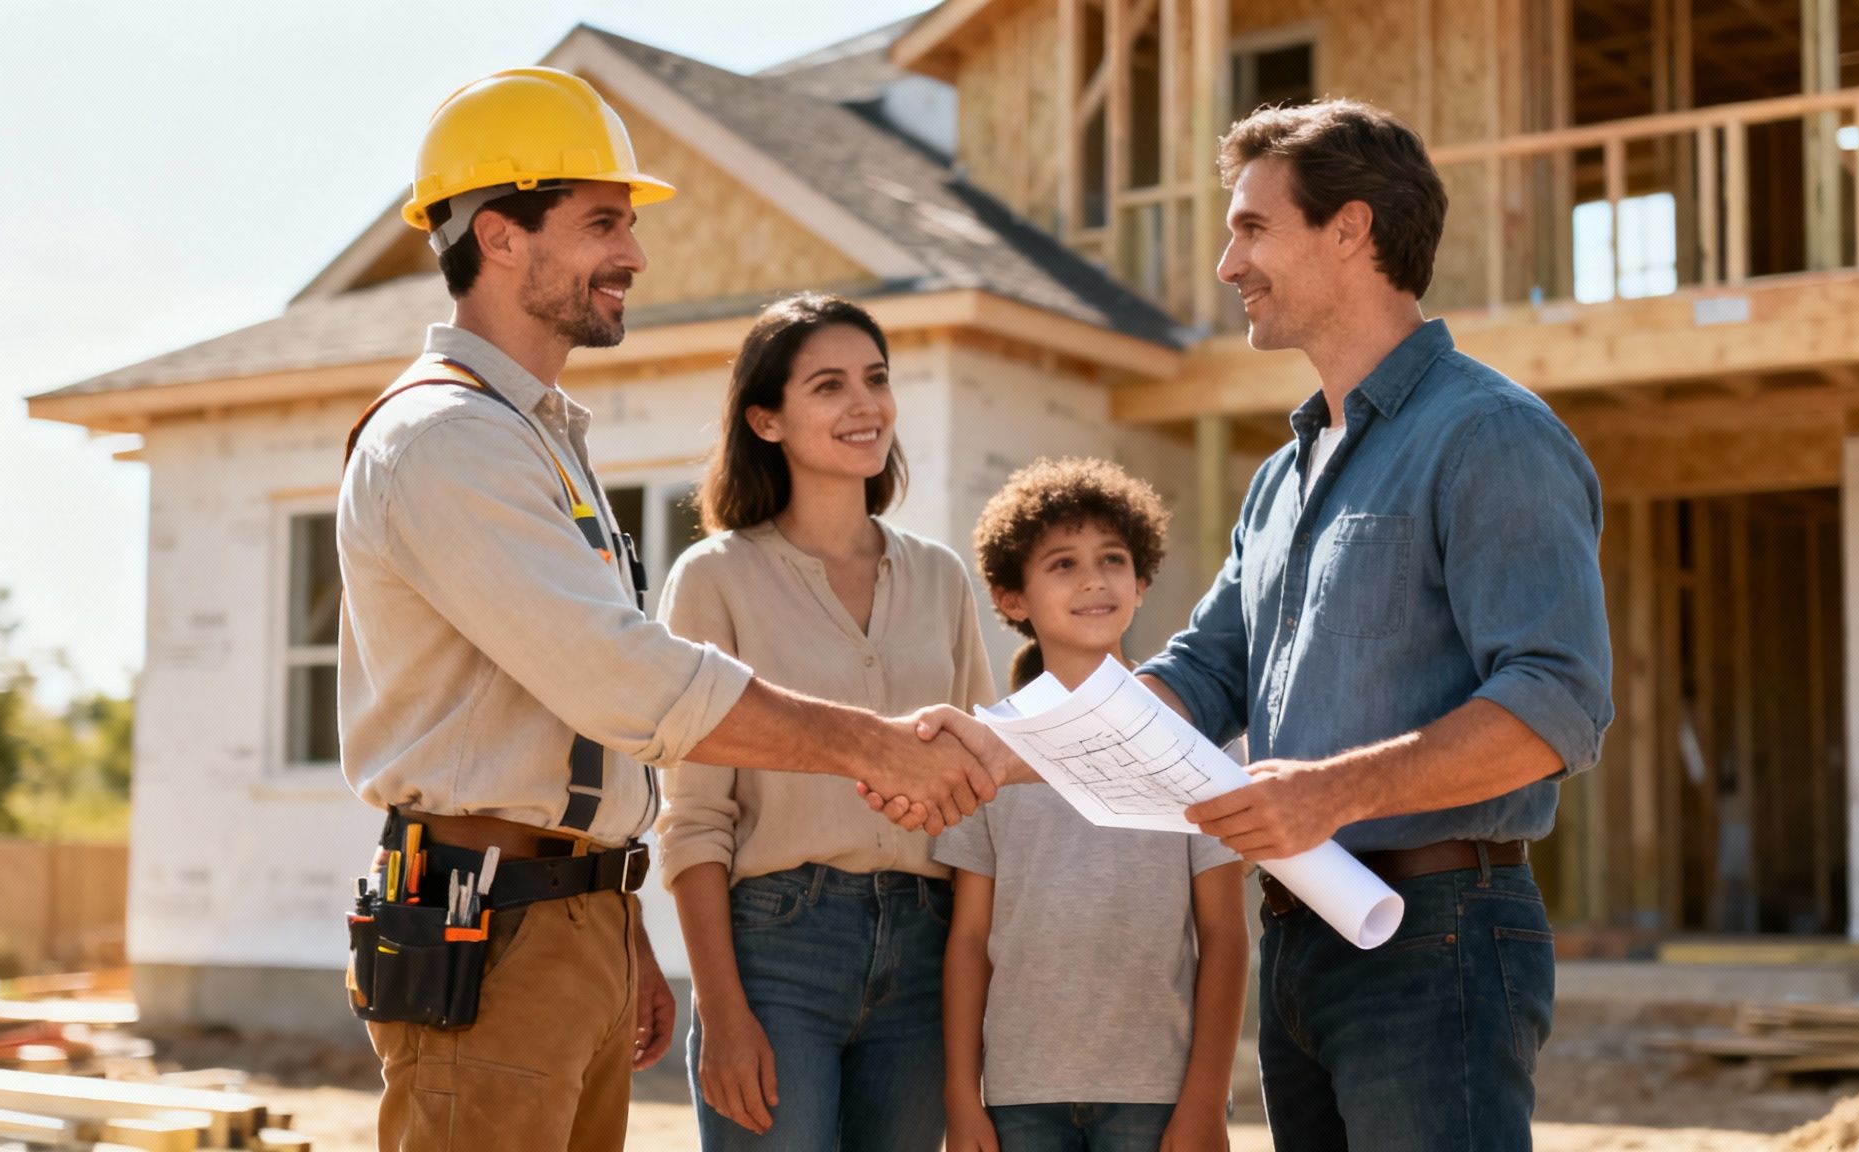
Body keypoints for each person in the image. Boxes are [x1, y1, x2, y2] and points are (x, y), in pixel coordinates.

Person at [897, 98, 1615, 1151]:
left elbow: (1556, 702)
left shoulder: (1489, 434)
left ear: (1350, 229)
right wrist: (996, 751)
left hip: (1435, 938)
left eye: (1250, 228)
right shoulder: (1282, 478)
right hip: (1300, 949)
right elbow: (1198, 675)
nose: (1228, 263)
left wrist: (1330, 792)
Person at [339, 68, 995, 1152]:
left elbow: (574, 730)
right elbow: (625, 679)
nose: (634, 256)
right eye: (603, 224)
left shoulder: (535, 437)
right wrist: (868, 746)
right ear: (499, 236)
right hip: (487, 922)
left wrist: (616, 913)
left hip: (561, 913)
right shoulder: (445, 441)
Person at [654, 292, 998, 1151]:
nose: (864, 405)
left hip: (928, 946)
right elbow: (693, 819)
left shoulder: (942, 578)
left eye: (876, 379)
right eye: (829, 386)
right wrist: (723, 1014)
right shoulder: (714, 580)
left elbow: (983, 784)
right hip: (776, 951)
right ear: (765, 420)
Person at [937, 458, 1248, 1152]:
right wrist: (962, 1096)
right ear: (1012, 597)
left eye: (1113, 559)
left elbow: (1225, 936)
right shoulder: (987, 748)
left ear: (1141, 581)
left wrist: (1205, 1100)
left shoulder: (1199, 742)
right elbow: (967, 940)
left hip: (1157, 1096)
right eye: (1062, 564)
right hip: (1020, 1095)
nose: (1093, 579)